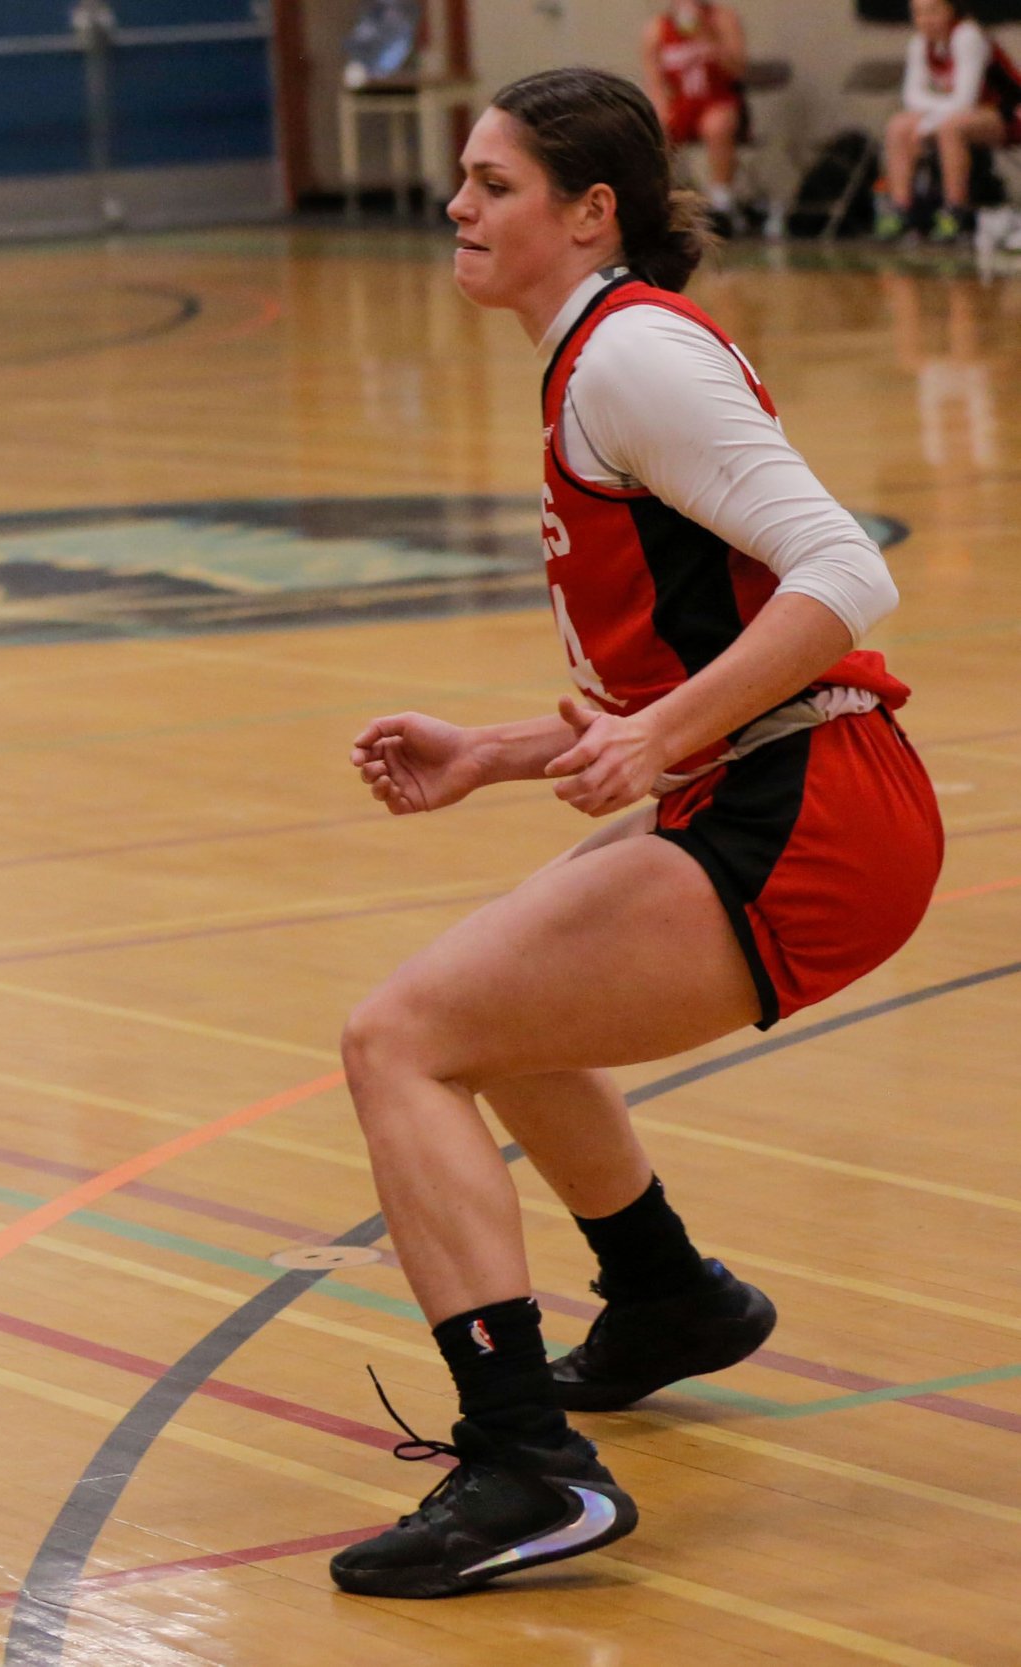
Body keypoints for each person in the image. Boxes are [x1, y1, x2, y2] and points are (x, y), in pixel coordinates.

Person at [328, 67, 939, 1600]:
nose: (458, 206)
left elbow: (843, 575)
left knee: (399, 1037)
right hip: (777, 787)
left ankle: (526, 1459)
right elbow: (675, 662)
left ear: (591, 210)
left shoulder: (634, 355)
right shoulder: (597, 360)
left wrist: (659, 738)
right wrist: (499, 751)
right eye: (462, 180)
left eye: (494, 182)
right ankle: (668, 1299)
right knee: (504, 1004)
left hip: (811, 806)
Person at [876, 0, 1021, 242]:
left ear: (951, 9)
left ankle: (955, 211)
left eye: (933, 11)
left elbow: (966, 100)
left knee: (950, 127)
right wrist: (926, 122)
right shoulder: (919, 44)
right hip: (960, 114)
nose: (926, 20)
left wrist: (927, 124)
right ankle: (902, 210)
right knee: (899, 125)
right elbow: (912, 96)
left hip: (1009, 114)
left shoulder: (968, 36)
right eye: (919, 13)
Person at [641, 2, 750, 232]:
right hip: (681, 101)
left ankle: (721, 200)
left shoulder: (722, 19)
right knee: (656, 126)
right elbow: (655, 83)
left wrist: (709, 38)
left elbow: (738, 71)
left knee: (716, 125)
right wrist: (659, 113)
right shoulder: (657, 28)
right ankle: (663, 198)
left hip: (717, 98)